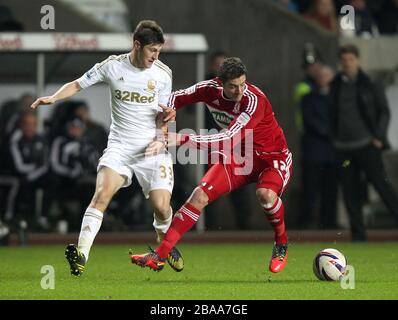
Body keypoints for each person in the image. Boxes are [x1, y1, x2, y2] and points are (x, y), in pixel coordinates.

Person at [31, 20, 183, 276]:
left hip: (151, 149)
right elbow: (78, 83)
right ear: (137, 45)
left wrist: (165, 126)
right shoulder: (112, 66)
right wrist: (54, 97)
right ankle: (81, 255)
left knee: (161, 207)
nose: (156, 56)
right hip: (120, 148)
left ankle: (164, 242)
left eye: (159, 51)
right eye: (152, 50)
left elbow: (163, 115)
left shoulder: (162, 74)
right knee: (101, 196)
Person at [131, 57, 292, 273]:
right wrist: (167, 113)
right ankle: (159, 256)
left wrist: (179, 138)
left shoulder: (254, 101)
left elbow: (227, 139)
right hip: (239, 157)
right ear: (220, 83)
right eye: (233, 86)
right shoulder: (209, 89)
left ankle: (281, 242)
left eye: (242, 84)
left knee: (265, 195)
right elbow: (176, 97)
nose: (239, 91)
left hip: (271, 158)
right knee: (199, 196)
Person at [329, 44, 398, 241]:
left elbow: (384, 111)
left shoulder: (370, 83)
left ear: (357, 61)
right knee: (350, 191)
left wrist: (379, 137)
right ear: (340, 63)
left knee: (382, 185)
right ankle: (359, 236)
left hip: (367, 145)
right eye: (344, 61)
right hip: (343, 148)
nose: (347, 64)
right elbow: (332, 113)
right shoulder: (336, 85)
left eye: (350, 60)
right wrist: (333, 139)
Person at [298, 65, 338, 229]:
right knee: (310, 189)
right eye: (321, 75)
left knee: (331, 190)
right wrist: (330, 132)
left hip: (333, 153)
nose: (324, 79)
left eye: (327, 75)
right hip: (314, 151)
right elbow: (309, 120)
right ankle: (308, 223)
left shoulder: (339, 97)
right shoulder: (308, 98)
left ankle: (329, 223)